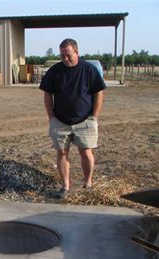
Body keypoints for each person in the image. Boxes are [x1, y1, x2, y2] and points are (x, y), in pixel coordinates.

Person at [39, 38, 106, 199]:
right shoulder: (55, 71)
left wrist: (94, 117)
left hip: (85, 121)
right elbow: (47, 94)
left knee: (86, 152)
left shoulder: (89, 70)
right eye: (62, 56)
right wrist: (51, 118)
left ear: (76, 52)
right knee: (62, 153)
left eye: (68, 55)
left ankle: (88, 183)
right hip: (60, 121)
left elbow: (99, 93)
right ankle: (65, 187)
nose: (65, 59)